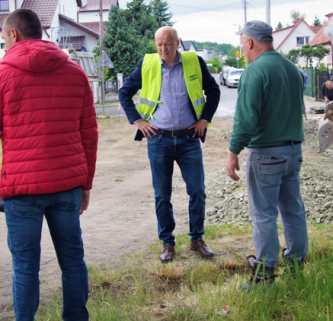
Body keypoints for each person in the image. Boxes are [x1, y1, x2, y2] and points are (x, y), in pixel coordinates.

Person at [0, 9, 97, 321]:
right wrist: (85, 184)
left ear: (13, 35)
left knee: (25, 268)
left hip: (22, 190)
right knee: (73, 261)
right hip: (67, 185)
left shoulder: (0, 76)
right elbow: (89, 134)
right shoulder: (75, 73)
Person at [118, 26, 221, 263]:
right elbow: (125, 92)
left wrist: (205, 119)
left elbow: (213, 90)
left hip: (189, 139)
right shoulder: (147, 64)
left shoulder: (194, 62)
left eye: (168, 44)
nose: (163, 49)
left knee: (197, 190)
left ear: (178, 42)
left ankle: (197, 239)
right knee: (162, 194)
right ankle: (167, 243)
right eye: (159, 45)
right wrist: (138, 121)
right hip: (158, 139)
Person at [226, 21, 308, 287]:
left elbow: (246, 120)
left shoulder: (255, 71)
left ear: (250, 42)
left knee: (263, 213)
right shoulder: (292, 69)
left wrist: (233, 151)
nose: (243, 51)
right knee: (293, 209)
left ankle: (264, 272)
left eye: (242, 45)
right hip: (293, 151)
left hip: (267, 154)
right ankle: (296, 262)